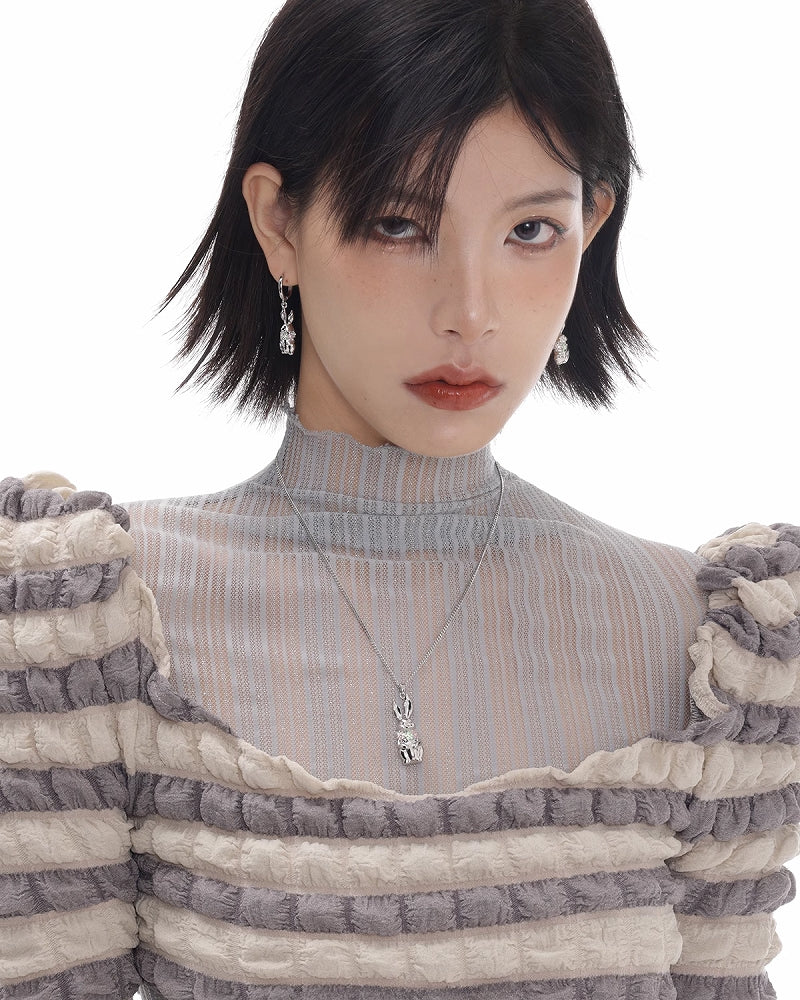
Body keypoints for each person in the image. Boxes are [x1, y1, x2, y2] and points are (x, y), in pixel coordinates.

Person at [1, 1, 797, 997]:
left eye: (530, 230)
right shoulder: (88, 629)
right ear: (278, 222)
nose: (469, 311)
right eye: (399, 223)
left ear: (591, 226)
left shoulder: (706, 650)